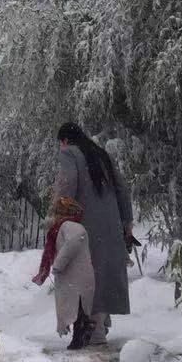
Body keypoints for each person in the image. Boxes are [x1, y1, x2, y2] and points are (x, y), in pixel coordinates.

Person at [50, 122, 133, 344]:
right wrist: (127, 221)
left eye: (60, 143)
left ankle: (92, 329)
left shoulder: (69, 154)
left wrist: (58, 217)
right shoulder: (101, 154)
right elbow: (122, 190)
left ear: (65, 141)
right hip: (110, 224)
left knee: (85, 275)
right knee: (102, 274)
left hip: (85, 224)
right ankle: (99, 328)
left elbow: (67, 186)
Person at [32, 195, 95, 349]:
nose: (52, 216)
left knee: (76, 307)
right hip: (75, 276)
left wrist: (58, 264)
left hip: (75, 277)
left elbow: (75, 241)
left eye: (54, 212)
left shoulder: (69, 225)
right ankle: (81, 333)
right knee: (76, 308)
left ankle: (81, 334)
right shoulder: (67, 226)